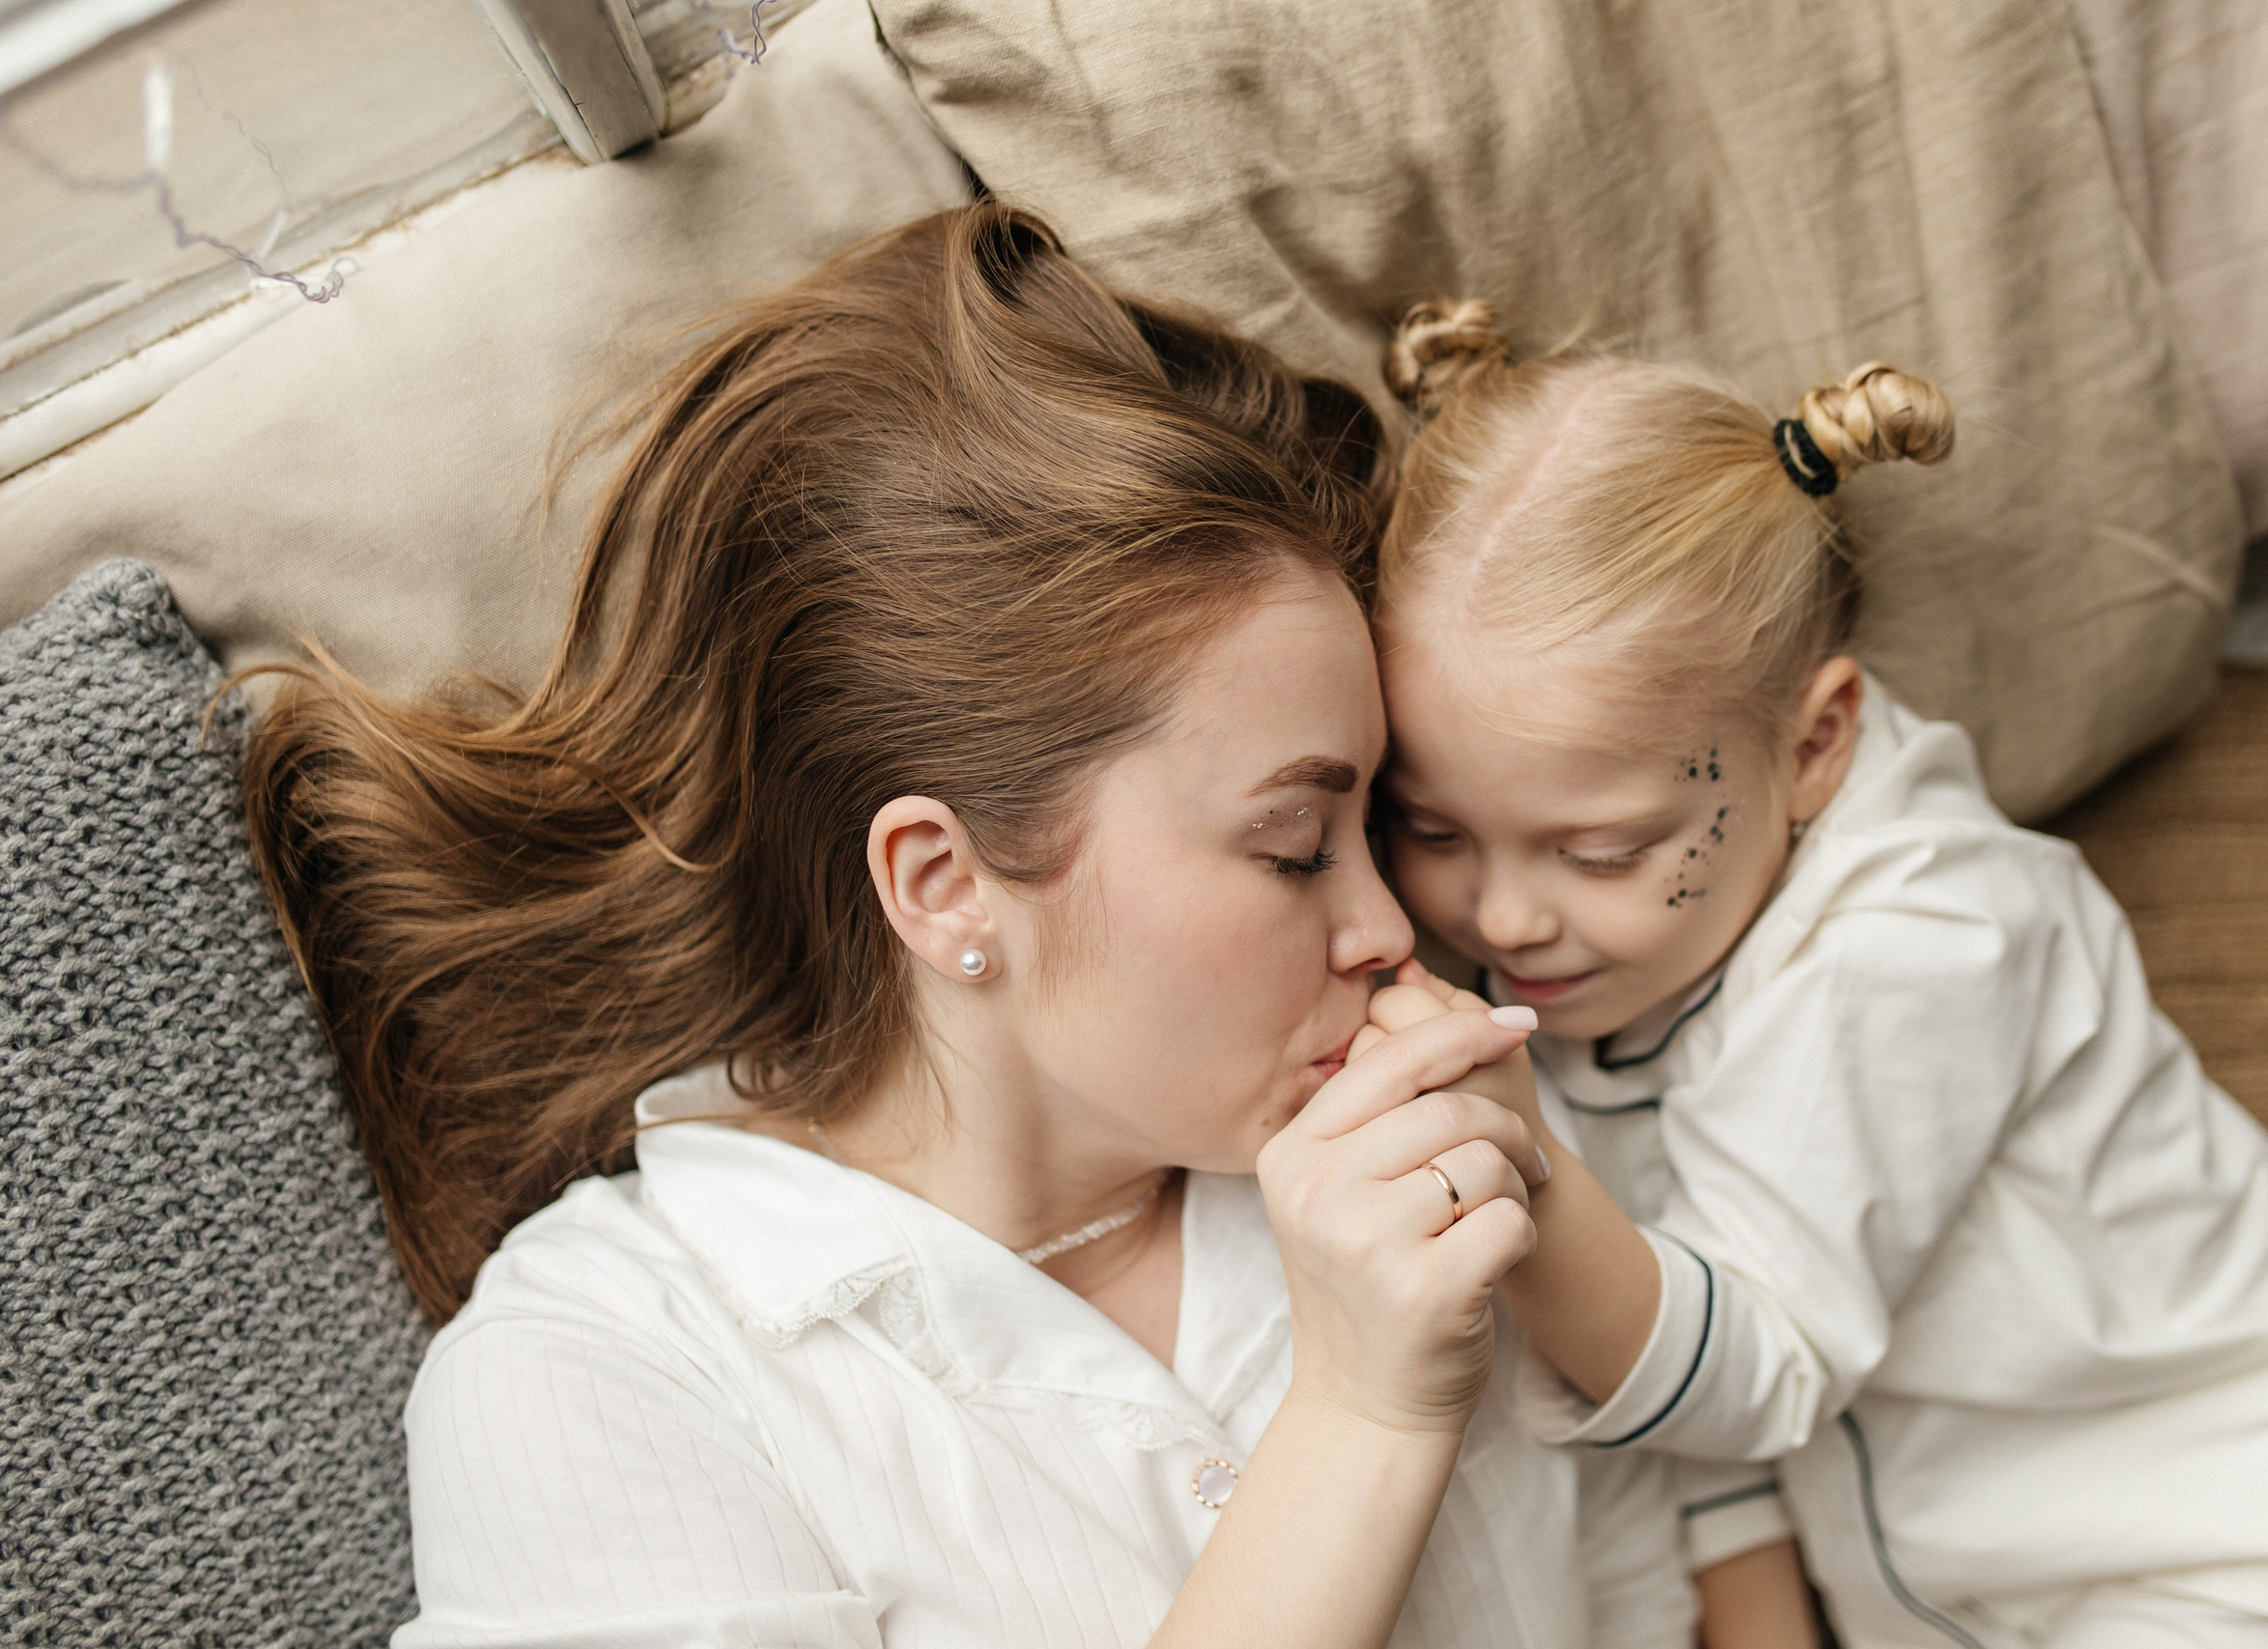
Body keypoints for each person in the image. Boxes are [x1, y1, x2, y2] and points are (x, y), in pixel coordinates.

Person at [237, 207, 1810, 1648]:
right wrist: (1362, 1420)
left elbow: (1671, 1554)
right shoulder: (607, 1374)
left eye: (1377, 825)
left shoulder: (1404, 1116)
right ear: (942, 883)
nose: (1394, 928)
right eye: (1290, 846)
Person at [1357, 299, 2268, 1647]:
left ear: (1819, 739)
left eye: (1603, 848)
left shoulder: (1928, 940)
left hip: (2266, 1561)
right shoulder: (1605, 971)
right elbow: (1665, 1357)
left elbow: (1751, 1360)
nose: (1506, 917)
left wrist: (1525, 1163)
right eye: (1431, 830)